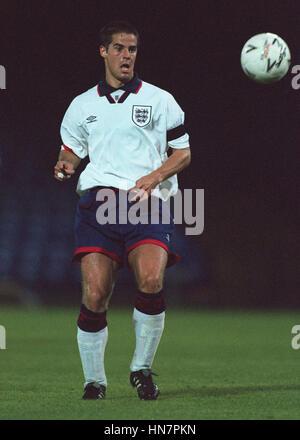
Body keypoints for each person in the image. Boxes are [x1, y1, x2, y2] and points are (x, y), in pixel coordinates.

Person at [54, 21, 191, 401]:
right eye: (119, 48)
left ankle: (141, 369)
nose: (126, 55)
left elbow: (183, 154)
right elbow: (72, 151)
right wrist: (65, 163)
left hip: (147, 203)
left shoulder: (161, 100)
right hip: (99, 204)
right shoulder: (82, 105)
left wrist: (153, 176)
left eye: (132, 49)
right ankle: (94, 381)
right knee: (95, 294)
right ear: (103, 52)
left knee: (150, 280)